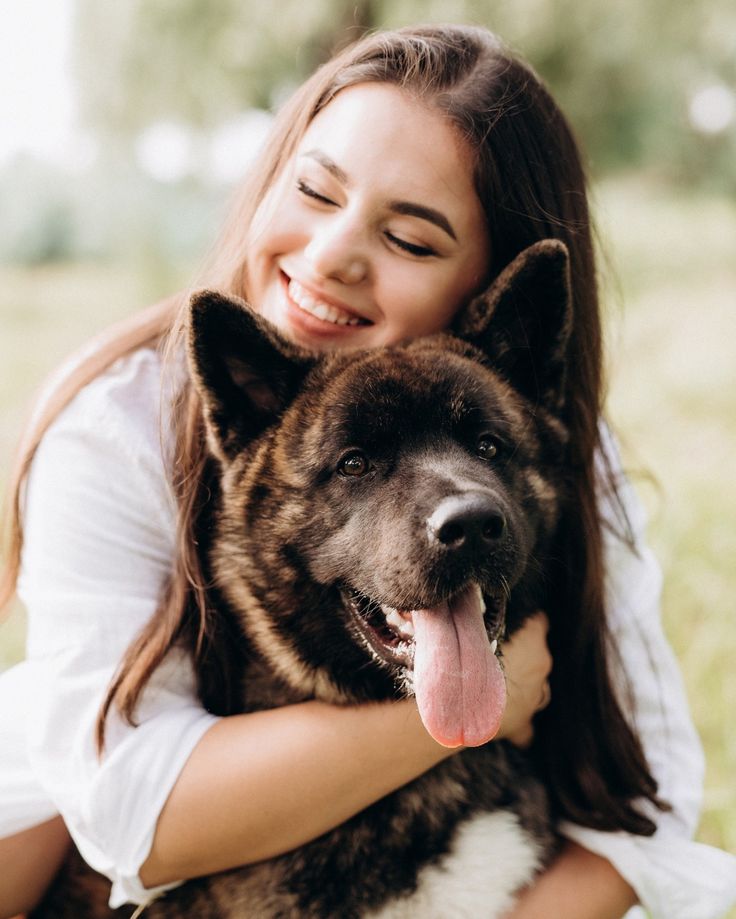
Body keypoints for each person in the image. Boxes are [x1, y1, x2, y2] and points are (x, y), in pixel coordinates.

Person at [0, 23, 734, 919]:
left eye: (412, 240)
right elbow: (124, 817)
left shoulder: (546, 437)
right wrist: (483, 704)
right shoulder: (119, 424)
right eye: (315, 190)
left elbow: (651, 809)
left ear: (490, 291)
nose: (333, 256)